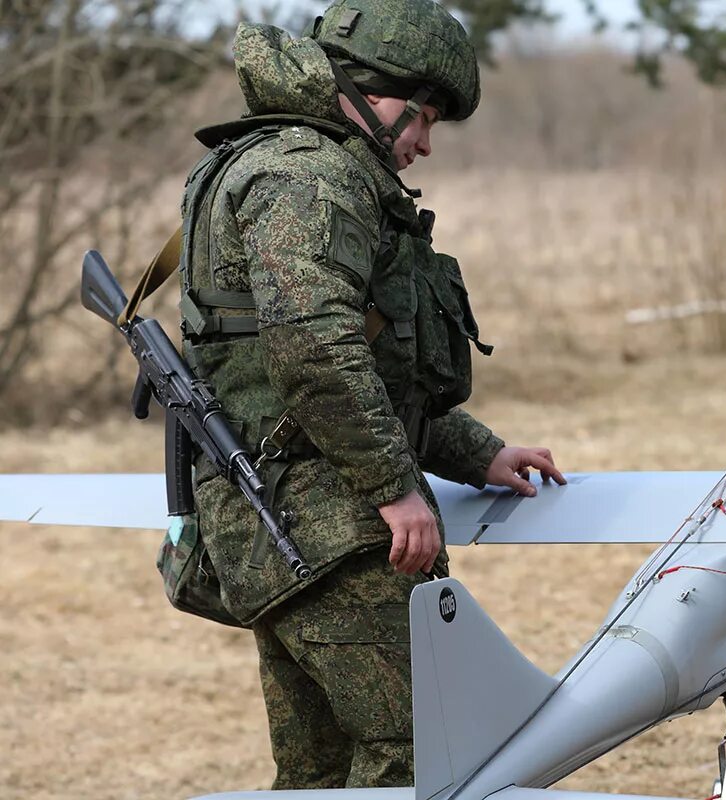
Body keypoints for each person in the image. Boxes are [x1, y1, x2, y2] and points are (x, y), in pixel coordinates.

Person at [175, 0, 565, 788]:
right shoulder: (309, 176)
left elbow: (361, 370)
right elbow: (312, 352)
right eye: (420, 117)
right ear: (362, 90)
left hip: (286, 533)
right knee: (424, 757)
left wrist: (479, 453)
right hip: (331, 536)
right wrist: (395, 490)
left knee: (319, 776)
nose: (423, 142)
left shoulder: (286, 163)